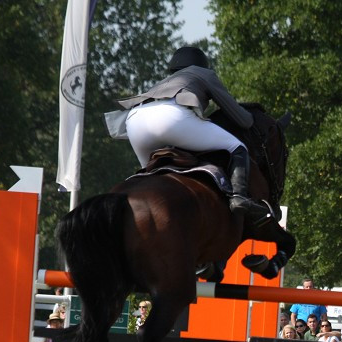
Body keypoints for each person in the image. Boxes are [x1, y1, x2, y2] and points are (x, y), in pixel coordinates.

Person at [114, 46, 272, 228]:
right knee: (237, 146)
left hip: (134, 122)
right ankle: (239, 198)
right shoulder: (203, 73)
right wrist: (253, 115)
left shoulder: (165, 80)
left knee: (151, 176)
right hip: (171, 118)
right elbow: (243, 121)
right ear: (201, 65)